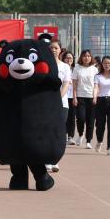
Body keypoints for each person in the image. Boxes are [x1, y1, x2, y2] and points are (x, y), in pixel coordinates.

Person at [46, 39, 70, 172]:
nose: (53, 50)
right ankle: (46, 159)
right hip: (46, 103)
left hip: (61, 103)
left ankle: (54, 160)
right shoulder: (44, 65)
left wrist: (58, 98)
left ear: (60, 50)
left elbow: (66, 84)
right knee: (48, 131)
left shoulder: (65, 67)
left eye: (56, 48)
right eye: (51, 48)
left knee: (58, 131)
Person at [93, 56, 110, 156]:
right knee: (100, 126)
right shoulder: (98, 76)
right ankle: (99, 141)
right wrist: (94, 97)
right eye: (105, 63)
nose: (107, 65)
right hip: (100, 101)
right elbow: (96, 88)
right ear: (102, 64)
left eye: (109, 63)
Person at [72, 50, 98, 149]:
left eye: (88, 56)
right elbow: (74, 84)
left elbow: (96, 85)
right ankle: (80, 134)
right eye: (84, 56)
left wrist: (95, 97)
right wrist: (74, 97)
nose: (86, 58)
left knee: (90, 121)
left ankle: (88, 140)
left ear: (91, 57)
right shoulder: (77, 68)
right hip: (80, 97)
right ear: (81, 57)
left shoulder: (94, 69)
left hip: (91, 97)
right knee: (80, 118)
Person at [61, 50, 76, 145]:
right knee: (64, 117)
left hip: (72, 96)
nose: (69, 59)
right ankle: (64, 135)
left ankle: (71, 136)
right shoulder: (61, 68)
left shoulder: (75, 70)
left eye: (71, 58)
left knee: (72, 117)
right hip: (63, 96)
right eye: (67, 58)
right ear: (64, 59)